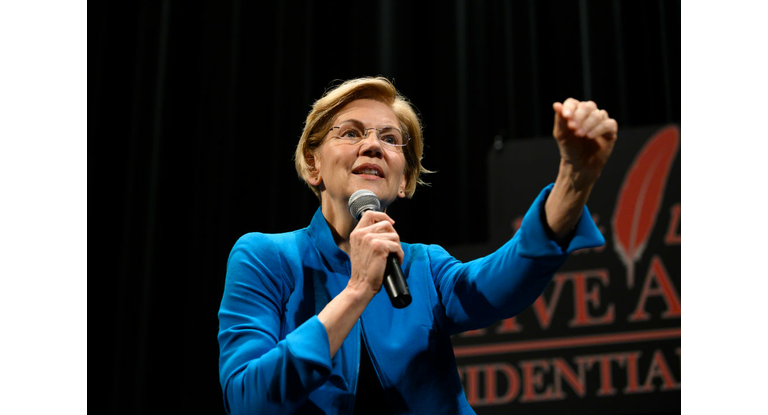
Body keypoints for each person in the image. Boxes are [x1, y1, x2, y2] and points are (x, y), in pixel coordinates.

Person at [217, 77, 618, 414]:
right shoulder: (265, 258)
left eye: (390, 139)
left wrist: (574, 179)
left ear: (405, 180)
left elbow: (505, 280)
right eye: (352, 132)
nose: (372, 146)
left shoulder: (424, 267)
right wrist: (358, 290)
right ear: (312, 164)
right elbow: (248, 399)